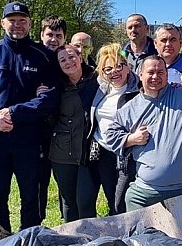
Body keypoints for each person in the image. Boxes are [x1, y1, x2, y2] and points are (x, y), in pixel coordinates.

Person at [0, 1, 62, 233]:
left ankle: (29, 242)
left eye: (22, 21)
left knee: (31, 197)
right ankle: (0, 245)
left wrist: (15, 113)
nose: (17, 25)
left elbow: (49, 98)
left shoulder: (42, 56)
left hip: (29, 140)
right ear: (3, 23)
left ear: (30, 23)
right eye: (12, 20)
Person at [104, 56, 182, 232]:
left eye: (160, 72)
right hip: (149, 191)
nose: (155, 76)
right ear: (140, 74)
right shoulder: (129, 108)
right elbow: (111, 136)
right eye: (150, 72)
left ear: (167, 75)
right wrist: (132, 139)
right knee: (143, 239)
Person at [78, 43, 139, 217]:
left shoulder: (139, 89)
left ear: (128, 67)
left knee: (121, 203)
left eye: (120, 65)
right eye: (108, 69)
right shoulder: (99, 89)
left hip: (129, 154)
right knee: (112, 199)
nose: (115, 72)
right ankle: (116, 237)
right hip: (104, 153)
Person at [48, 44, 98, 221]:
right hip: (62, 153)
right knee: (69, 202)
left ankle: (91, 244)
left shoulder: (97, 81)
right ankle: (71, 243)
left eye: (71, 57)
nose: (68, 62)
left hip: (88, 154)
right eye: (63, 60)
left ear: (80, 57)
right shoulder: (55, 87)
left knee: (85, 202)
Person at [37, 15, 69, 220]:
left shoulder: (69, 58)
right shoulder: (32, 56)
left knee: (65, 183)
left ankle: (67, 223)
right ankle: (36, 223)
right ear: (41, 35)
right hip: (37, 131)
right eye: (50, 34)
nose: (53, 39)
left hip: (63, 130)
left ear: (65, 38)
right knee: (38, 182)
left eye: (58, 35)